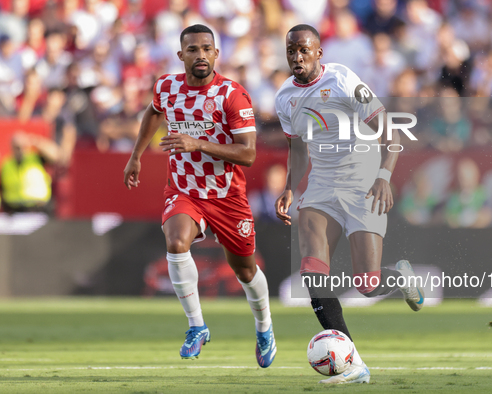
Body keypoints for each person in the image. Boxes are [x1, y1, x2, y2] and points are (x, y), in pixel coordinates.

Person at [274, 24, 424, 384]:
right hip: (322, 188)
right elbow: (297, 148)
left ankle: (398, 277)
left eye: (304, 50)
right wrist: (291, 188)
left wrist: (384, 176)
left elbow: (389, 130)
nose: (297, 57)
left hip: (362, 182)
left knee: (367, 284)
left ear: (318, 52)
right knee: (313, 274)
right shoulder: (284, 98)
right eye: (291, 51)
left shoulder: (342, 80)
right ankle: (355, 362)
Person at [123, 24, 276, 367]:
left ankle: (264, 327)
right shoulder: (167, 86)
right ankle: (197, 326)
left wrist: (196, 143)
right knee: (176, 243)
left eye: (207, 48)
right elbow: (153, 112)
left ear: (216, 54)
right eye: (193, 49)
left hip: (226, 195)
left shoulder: (232, 95)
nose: (201, 55)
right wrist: (136, 155)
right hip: (183, 188)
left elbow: (248, 154)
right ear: (182, 56)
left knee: (246, 271)